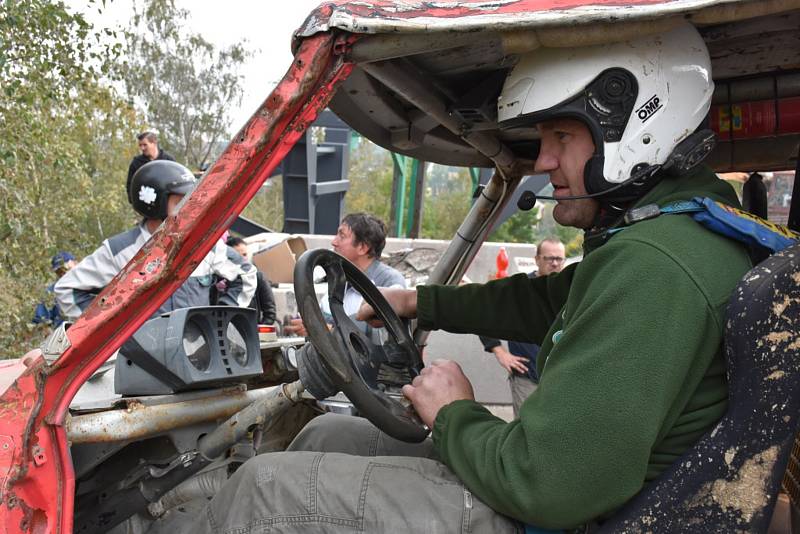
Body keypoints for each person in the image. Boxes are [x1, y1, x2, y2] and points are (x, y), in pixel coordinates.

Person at [154, 23, 752, 532]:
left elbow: (549, 484)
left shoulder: (656, 267)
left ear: (638, 123)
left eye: (560, 136)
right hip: (584, 494)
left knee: (264, 489)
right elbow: (545, 301)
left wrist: (453, 412)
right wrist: (417, 301)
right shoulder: (667, 239)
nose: (543, 162)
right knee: (321, 438)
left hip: (560, 511)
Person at [56, 160, 256, 321]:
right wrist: (105, 333)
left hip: (196, 360)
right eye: (180, 202)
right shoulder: (119, 250)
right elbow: (67, 290)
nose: (190, 209)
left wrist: (219, 321)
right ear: (155, 204)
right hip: (140, 365)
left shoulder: (205, 246)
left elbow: (246, 275)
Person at [478, 237, 566, 416]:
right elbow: (484, 314)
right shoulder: (520, 289)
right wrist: (500, 352)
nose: (555, 263)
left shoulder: (570, 290)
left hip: (561, 378)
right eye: (549, 258)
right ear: (537, 259)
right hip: (528, 378)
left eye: (559, 259)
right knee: (525, 432)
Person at [283, 212, 406, 337]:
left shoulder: (390, 283)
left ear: (362, 247)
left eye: (342, 236)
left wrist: (328, 330)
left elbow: (385, 335)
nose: (334, 242)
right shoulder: (339, 281)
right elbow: (324, 321)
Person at [226, 236, 277, 325]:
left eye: (245, 254)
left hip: (250, 330)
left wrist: (260, 330)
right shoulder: (219, 279)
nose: (243, 259)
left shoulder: (258, 277)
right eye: (238, 255)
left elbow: (270, 311)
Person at [126, 130, 175, 204]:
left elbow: (176, 182)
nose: (142, 148)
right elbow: (130, 185)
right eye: (140, 145)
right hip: (146, 205)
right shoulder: (136, 163)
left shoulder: (168, 160)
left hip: (167, 204)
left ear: (154, 143)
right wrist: (134, 202)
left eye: (145, 145)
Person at [32, 252, 78, 328]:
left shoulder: (90, 279)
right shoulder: (52, 292)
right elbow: (40, 321)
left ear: (75, 263)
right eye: (59, 271)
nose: (63, 273)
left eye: (65, 268)